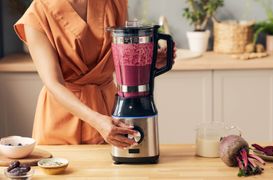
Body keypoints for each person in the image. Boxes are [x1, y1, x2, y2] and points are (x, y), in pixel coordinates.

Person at [14, 0, 176, 148]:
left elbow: (121, 57)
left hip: (110, 114)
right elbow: (53, 83)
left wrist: (148, 62)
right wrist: (96, 120)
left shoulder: (115, 3)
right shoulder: (37, 14)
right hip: (62, 118)